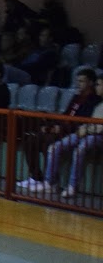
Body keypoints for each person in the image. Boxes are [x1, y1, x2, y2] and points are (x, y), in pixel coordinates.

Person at [18, 67, 101, 197]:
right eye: (77, 81)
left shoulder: (94, 100)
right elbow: (66, 115)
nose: (78, 84)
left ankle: (53, 182)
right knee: (30, 139)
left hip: (75, 131)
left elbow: (83, 121)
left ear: (90, 82)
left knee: (48, 142)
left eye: (82, 81)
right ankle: (36, 177)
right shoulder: (76, 97)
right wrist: (53, 125)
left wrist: (61, 129)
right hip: (65, 129)